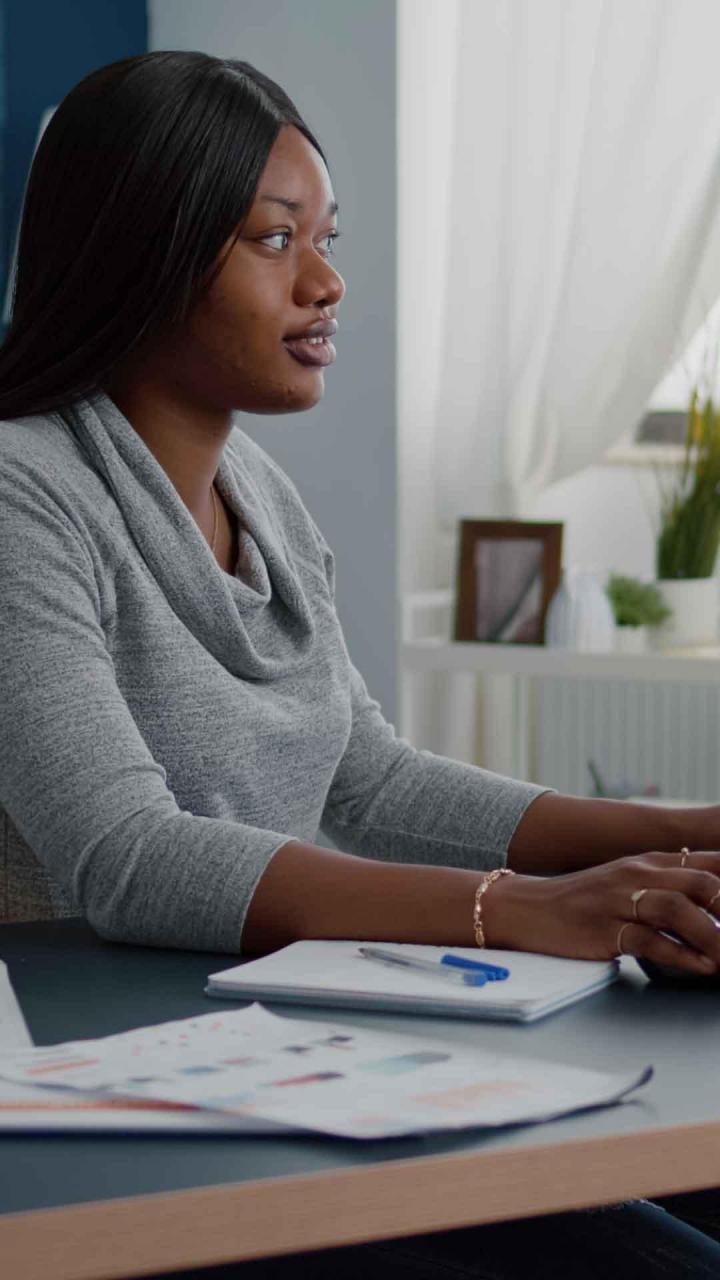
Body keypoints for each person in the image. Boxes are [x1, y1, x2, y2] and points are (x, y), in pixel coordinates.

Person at [0, 49, 719, 1279]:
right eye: (276, 240)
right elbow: (128, 853)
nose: (328, 282)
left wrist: (670, 832)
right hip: (102, 1107)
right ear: (144, 248)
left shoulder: (261, 493)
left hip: (266, 1047)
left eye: (328, 237)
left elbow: (367, 776)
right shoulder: (23, 494)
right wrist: (527, 908)